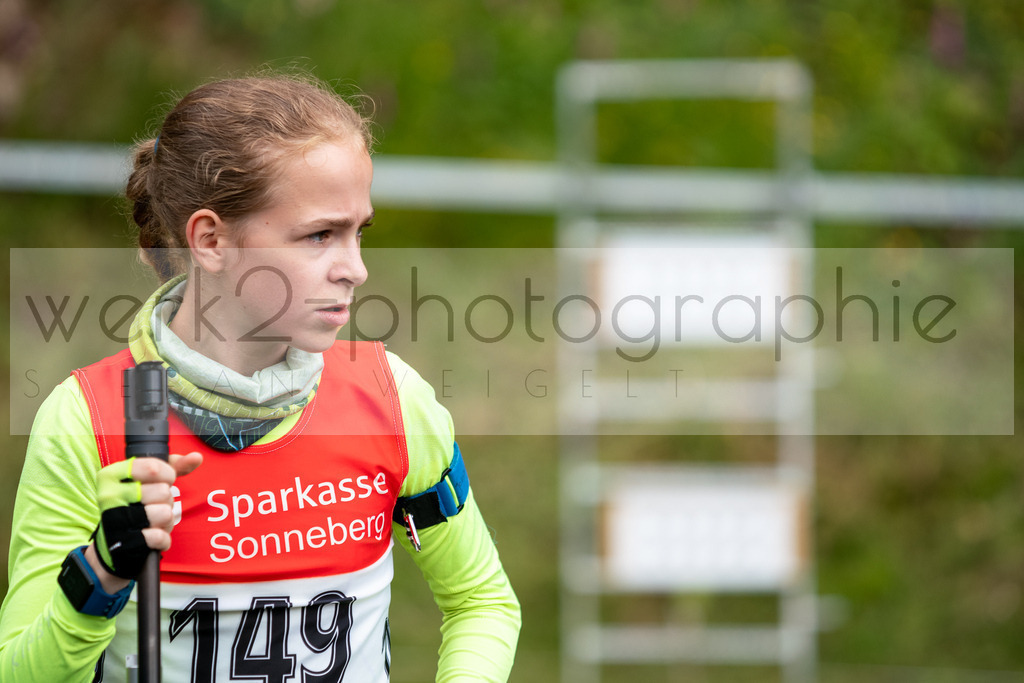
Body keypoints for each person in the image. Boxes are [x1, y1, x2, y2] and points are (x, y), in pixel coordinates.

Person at [0, 73, 520, 682]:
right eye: (320, 235)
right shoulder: (84, 417)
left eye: (359, 233)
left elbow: (482, 602)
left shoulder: (393, 397)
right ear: (212, 240)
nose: (355, 268)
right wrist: (99, 576)